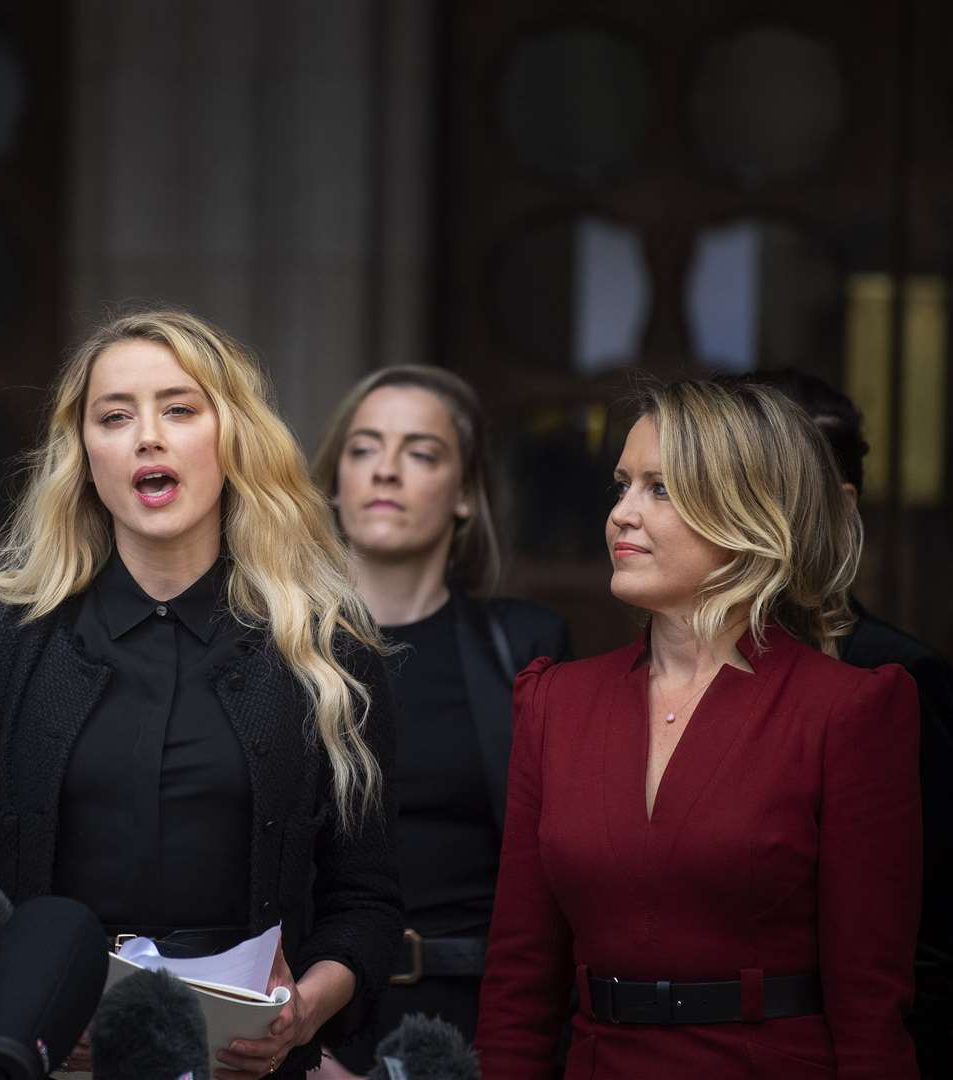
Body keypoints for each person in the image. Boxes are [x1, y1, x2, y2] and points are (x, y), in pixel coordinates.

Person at [0, 308, 402, 1079]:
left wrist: (302, 1012)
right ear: (85, 455)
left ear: (232, 437)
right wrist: (22, 1005)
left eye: (180, 409)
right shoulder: (5, 635)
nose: (146, 436)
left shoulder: (329, 647)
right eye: (114, 416)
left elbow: (369, 900)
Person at [475, 379, 921, 1078]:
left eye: (661, 489)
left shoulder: (847, 711)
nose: (622, 514)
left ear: (749, 511)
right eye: (622, 486)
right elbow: (518, 985)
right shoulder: (557, 703)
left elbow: (871, 1003)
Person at [309, 367, 569, 1066]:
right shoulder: (270, 649)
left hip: (480, 1019)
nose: (386, 470)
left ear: (465, 495)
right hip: (311, 1018)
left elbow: (558, 877)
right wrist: (293, 1052)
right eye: (363, 449)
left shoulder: (527, 647)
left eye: (421, 453)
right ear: (335, 482)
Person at [730, 368, 953, 1075]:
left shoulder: (895, 678)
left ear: (834, 505)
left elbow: (929, 938)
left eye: (760, 486)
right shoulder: (662, 673)